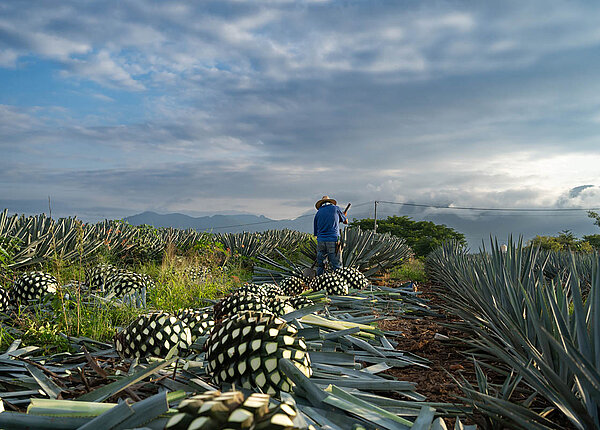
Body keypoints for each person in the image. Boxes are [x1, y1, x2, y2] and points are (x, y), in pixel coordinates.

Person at [313, 195, 348, 275]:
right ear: (330, 202)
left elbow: (316, 232)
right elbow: (345, 221)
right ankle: (339, 284)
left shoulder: (318, 213)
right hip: (333, 240)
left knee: (321, 265)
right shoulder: (335, 208)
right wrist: (344, 216)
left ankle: (319, 283)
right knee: (337, 265)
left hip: (321, 241)